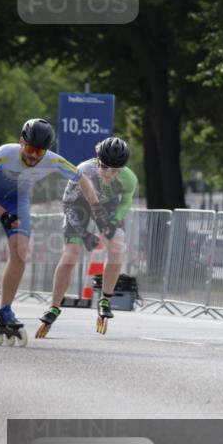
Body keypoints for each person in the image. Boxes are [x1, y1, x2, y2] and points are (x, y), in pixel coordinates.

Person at [0, 119, 100, 343]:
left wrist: (97, 208)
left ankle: (5, 311)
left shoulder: (52, 160)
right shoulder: (4, 154)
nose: (33, 156)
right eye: (30, 149)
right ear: (21, 142)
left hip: (17, 200)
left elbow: (82, 179)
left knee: (20, 251)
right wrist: (1, 213)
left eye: (39, 152)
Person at [37, 137, 137, 337]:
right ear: (98, 160)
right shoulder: (84, 170)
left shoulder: (129, 178)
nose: (109, 174)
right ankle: (54, 307)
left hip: (107, 207)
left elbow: (126, 202)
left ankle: (105, 299)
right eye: (105, 167)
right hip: (79, 205)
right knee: (71, 254)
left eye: (116, 170)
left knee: (117, 246)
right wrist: (84, 234)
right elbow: (68, 205)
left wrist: (115, 221)